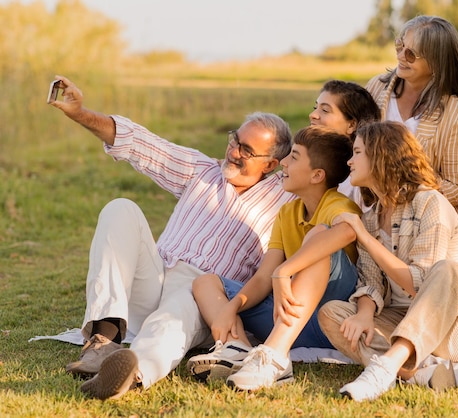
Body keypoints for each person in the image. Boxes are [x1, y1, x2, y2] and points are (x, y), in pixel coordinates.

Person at [48, 75, 295, 400]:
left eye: (246, 150)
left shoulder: (286, 199)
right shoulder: (202, 171)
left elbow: (337, 181)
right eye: (235, 140)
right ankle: (103, 342)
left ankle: (131, 374)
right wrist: (80, 113)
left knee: (172, 317)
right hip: (156, 275)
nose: (233, 151)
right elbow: (142, 144)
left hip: (204, 292)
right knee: (120, 209)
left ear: (272, 164)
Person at [317, 121, 458, 402]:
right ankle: (417, 375)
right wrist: (364, 313)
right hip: (404, 318)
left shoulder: (430, 202)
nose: (350, 160)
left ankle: (386, 366)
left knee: (446, 269)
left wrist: (365, 238)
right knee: (332, 313)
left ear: (380, 156)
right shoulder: (373, 217)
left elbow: (421, 282)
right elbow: (371, 281)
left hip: (457, 328)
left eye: (357, 152)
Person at [187, 125, 360, 391]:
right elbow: (263, 276)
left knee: (319, 237)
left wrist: (284, 271)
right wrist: (229, 309)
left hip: (330, 320)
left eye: (294, 156)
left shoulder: (338, 205)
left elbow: (349, 231)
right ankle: (239, 349)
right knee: (205, 282)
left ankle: (275, 359)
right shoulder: (288, 211)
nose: (284, 162)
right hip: (288, 314)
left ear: (317, 175)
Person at [365, 15, 458, 264]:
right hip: (373, 213)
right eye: (399, 46)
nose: (400, 56)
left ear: (436, 62)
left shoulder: (454, 111)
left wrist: (404, 190)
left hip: (427, 227)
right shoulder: (376, 88)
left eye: (411, 54)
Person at [309, 79, 380, 209]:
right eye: (315, 108)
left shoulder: (360, 180)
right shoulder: (306, 159)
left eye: (325, 110)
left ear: (352, 124)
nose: (313, 115)